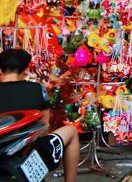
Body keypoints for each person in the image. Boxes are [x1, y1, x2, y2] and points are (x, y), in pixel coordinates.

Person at [0, 49, 80, 182]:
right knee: (71, 131)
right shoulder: (38, 89)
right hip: (29, 154)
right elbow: (44, 127)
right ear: (26, 69)